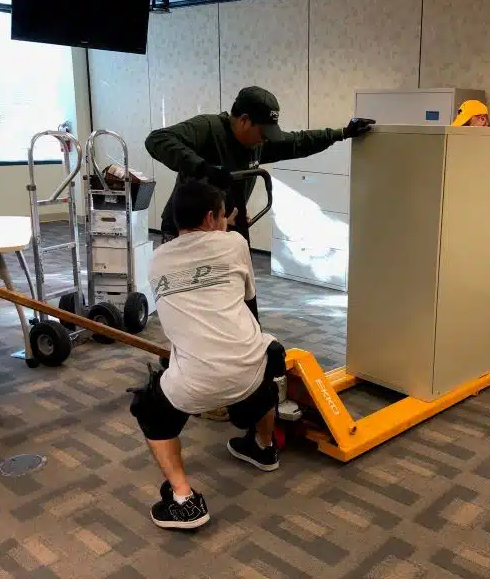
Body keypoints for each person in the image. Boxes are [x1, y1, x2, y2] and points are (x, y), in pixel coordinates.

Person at [129, 180, 288, 530]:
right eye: (222, 215)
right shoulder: (235, 244)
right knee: (268, 354)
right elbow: (248, 296)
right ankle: (264, 446)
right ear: (210, 217)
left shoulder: (156, 260)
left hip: (197, 384)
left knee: (148, 408)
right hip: (248, 372)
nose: (226, 221)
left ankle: (185, 500)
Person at [145, 85, 374, 244]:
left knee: (240, 296)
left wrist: (342, 133)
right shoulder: (208, 128)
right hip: (186, 231)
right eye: (262, 131)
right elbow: (157, 140)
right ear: (244, 119)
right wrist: (202, 167)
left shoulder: (259, 142)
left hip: (229, 224)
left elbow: (299, 141)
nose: (265, 139)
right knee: (193, 302)